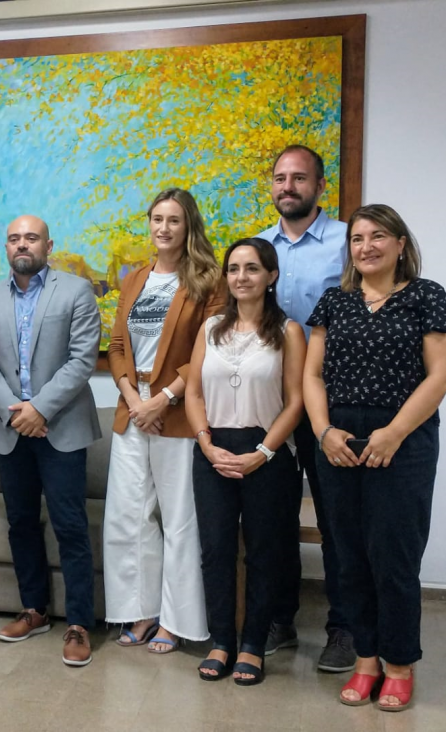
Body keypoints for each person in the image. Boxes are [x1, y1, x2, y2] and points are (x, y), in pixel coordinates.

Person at [304, 204, 446, 711]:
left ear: (400, 244)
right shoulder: (334, 302)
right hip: (338, 441)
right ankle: (366, 660)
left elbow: (440, 375)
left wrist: (393, 432)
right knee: (348, 555)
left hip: (405, 438)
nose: (366, 245)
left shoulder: (427, 298)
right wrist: (324, 431)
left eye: (378, 236)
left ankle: (399, 664)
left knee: (393, 557)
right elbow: (312, 376)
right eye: (357, 238)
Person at [0, 215, 101, 667]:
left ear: (49, 244)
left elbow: (82, 358)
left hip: (61, 426)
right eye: (14, 238)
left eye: (31, 237)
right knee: (21, 524)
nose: (22, 244)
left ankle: (79, 623)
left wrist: (40, 409)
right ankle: (35, 610)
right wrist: (17, 412)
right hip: (11, 429)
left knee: (70, 526)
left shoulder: (75, 290)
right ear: (5, 247)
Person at [102, 187, 223, 654]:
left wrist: (165, 397)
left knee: (179, 520)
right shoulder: (135, 279)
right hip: (134, 409)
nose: (164, 228)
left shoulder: (208, 280)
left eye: (174, 220)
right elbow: (116, 348)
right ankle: (142, 612)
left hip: (179, 411)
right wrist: (135, 398)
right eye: (157, 219)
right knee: (129, 517)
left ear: (188, 225)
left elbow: (210, 348)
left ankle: (176, 622)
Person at [185, 238, 307, 685]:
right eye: (234, 269)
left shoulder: (289, 332)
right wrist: (205, 442)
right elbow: (194, 391)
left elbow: (296, 402)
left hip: (268, 452)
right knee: (216, 550)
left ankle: (253, 644)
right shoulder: (211, 328)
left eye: (252, 268)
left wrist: (264, 453)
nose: (241, 277)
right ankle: (221, 641)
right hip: (213, 449)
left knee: (264, 551)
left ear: (271, 277)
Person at [256, 144, 353, 670]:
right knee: (272, 519)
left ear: (320, 186)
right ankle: (278, 620)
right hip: (269, 403)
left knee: (337, 520)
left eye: (298, 178)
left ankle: (343, 628)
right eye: (279, 178)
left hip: (329, 402)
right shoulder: (258, 249)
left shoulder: (345, 243)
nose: (287, 186)